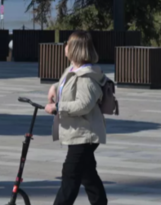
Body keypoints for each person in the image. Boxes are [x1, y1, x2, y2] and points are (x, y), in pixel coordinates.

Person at [45, 31, 107, 205]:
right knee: (88, 176)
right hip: (77, 132)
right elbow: (67, 85)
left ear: (74, 49)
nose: (64, 47)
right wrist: (54, 87)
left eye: (67, 44)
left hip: (84, 134)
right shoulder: (72, 70)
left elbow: (83, 105)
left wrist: (57, 108)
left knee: (70, 177)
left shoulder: (87, 77)